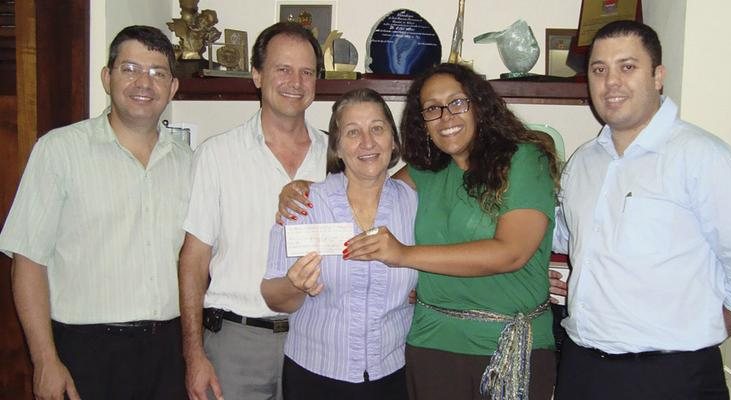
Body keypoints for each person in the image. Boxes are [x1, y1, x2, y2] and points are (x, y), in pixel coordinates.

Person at [551, 20, 731, 400]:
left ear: (658, 76)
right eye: (599, 69)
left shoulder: (705, 158)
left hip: (672, 377)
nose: (611, 81)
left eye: (627, 66)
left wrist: (691, 336)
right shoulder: (583, 162)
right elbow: (566, 239)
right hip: (582, 369)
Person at [335, 63, 560, 400]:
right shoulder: (425, 171)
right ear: (422, 122)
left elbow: (511, 251)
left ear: (479, 105)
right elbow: (365, 196)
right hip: (432, 345)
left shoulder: (524, 160)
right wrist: (307, 192)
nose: (446, 117)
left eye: (457, 102)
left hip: (510, 345)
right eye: (432, 109)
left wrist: (406, 256)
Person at [0, 25, 190, 400]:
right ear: (107, 77)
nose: (143, 82)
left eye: (158, 73)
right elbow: (28, 260)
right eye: (130, 68)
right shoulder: (59, 151)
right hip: (86, 351)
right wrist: (45, 360)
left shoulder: (189, 162)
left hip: (169, 351)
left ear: (172, 88)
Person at [179, 21, 327, 400]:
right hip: (236, 344)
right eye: (283, 69)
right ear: (257, 75)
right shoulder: (217, 155)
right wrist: (193, 354)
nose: (295, 81)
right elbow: (194, 260)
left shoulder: (337, 157)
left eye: (306, 72)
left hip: (317, 340)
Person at [262, 88, 418, 400]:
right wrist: (295, 285)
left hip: (392, 373)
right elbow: (274, 297)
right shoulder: (305, 205)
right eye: (352, 132)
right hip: (316, 375)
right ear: (337, 147)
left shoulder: (414, 204)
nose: (367, 142)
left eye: (377, 128)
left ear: (393, 140)